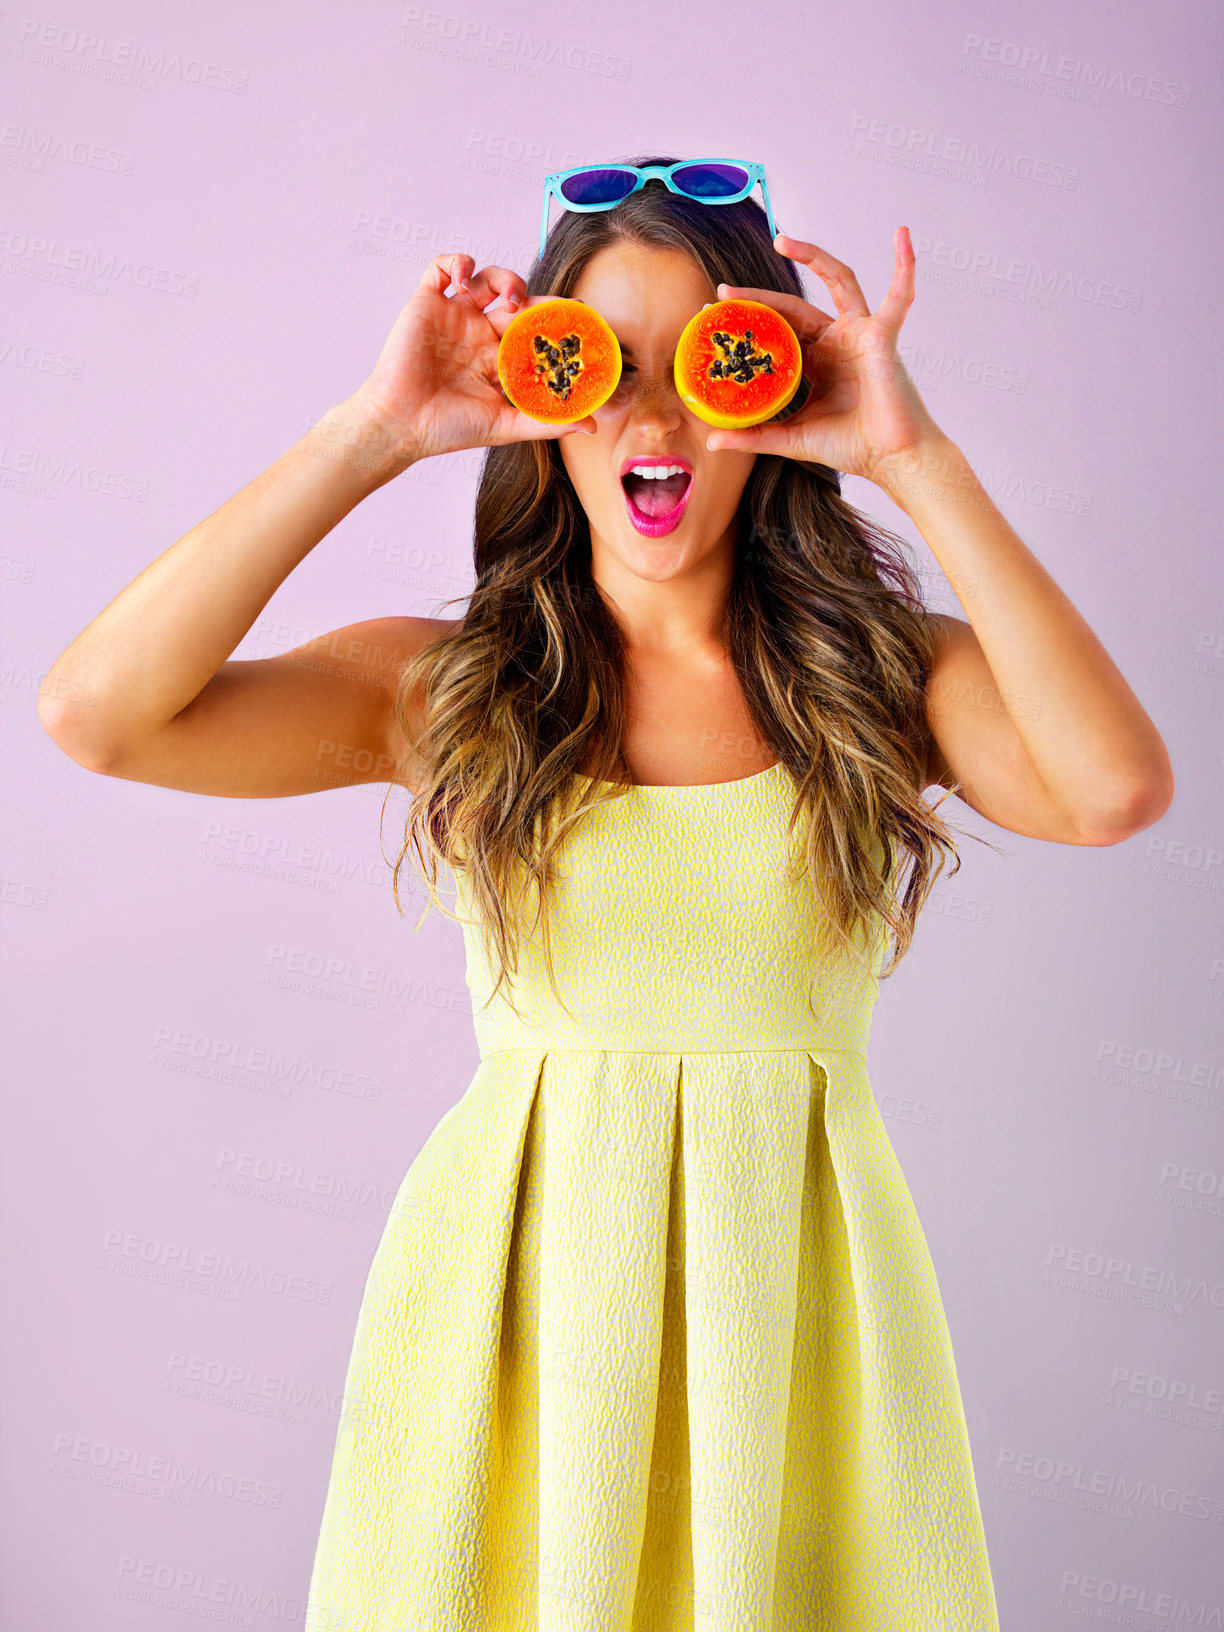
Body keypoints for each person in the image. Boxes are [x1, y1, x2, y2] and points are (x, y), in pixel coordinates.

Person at [40, 154, 1173, 1630]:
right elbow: (99, 715)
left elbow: (1111, 789)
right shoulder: (453, 692)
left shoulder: (881, 685)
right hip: (518, 1324)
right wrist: (376, 432)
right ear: (544, 404)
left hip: (801, 1321)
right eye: (599, 370)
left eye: (711, 363)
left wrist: (911, 456)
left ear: (775, 389)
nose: (650, 416)